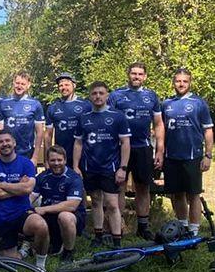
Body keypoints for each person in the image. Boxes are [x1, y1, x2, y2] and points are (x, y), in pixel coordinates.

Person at [108, 62, 165, 240]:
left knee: (143, 188)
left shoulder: (151, 96)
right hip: (119, 149)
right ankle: (118, 225)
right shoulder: (116, 95)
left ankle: (143, 226)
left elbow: (158, 124)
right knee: (120, 186)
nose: (137, 77)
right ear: (128, 74)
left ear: (145, 77)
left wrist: (160, 150)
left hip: (142, 148)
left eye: (140, 74)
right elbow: (109, 120)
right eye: (134, 73)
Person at [73, 81, 131, 249]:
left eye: (101, 93)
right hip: (90, 167)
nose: (97, 96)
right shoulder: (84, 118)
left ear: (107, 95)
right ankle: (98, 235)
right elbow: (78, 144)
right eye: (94, 93)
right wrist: (76, 166)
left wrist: (123, 167)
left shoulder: (118, 116)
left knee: (112, 204)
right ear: (90, 96)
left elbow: (125, 143)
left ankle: (117, 241)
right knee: (96, 201)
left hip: (110, 168)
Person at [0, 129, 49, 269]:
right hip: (2, 218)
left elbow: (28, 189)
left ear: (14, 143)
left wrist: (2, 185)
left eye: (7, 141)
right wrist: (18, 187)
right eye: (0, 142)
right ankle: (22, 247)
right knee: (13, 264)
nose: (4, 144)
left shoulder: (26, 163)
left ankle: (40, 264)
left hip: (22, 213)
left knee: (41, 226)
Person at [162, 68, 213, 236]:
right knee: (177, 194)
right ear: (173, 82)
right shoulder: (166, 104)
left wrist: (208, 155)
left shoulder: (199, 103)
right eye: (178, 81)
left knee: (193, 195)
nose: (181, 84)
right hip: (171, 156)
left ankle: (194, 230)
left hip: (193, 156)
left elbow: (208, 131)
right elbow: (160, 129)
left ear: (190, 83)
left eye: (185, 81)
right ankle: (182, 227)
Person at [29, 145, 86, 264]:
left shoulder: (74, 178)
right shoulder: (43, 176)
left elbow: (72, 205)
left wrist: (44, 209)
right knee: (29, 215)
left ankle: (68, 253)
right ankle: (30, 245)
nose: (56, 163)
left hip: (72, 216)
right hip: (49, 216)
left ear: (65, 160)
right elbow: (31, 197)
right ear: (47, 161)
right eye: (52, 160)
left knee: (65, 216)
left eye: (59, 160)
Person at [0, 71, 45, 166]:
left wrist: (35, 157)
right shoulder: (3, 103)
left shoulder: (35, 104)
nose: (19, 86)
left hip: (27, 153)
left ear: (28, 85)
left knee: (27, 180)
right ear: (13, 83)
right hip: (6, 151)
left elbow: (40, 132)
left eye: (23, 84)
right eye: (17, 83)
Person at [44, 72, 92, 168]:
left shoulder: (86, 105)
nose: (63, 87)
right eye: (60, 85)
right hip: (61, 157)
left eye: (67, 84)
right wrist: (46, 159)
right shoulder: (53, 108)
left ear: (74, 85)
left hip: (84, 155)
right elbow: (48, 135)